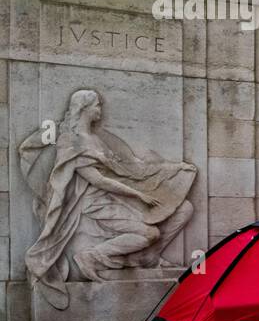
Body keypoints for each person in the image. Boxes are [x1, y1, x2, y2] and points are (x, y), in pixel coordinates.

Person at [19, 90, 196, 309]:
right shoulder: (70, 141)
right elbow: (99, 180)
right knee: (150, 233)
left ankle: (147, 257)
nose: (100, 111)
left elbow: (129, 168)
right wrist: (138, 194)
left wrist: (174, 169)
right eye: (97, 106)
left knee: (184, 208)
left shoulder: (96, 140)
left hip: (116, 198)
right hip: (95, 205)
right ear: (84, 109)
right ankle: (92, 257)